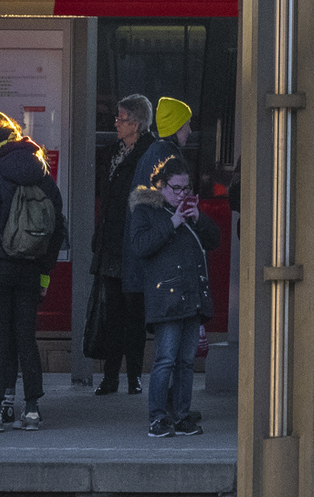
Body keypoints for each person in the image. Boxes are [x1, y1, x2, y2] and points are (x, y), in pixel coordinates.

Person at [0, 113, 66, 432]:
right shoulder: (44, 179)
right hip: (29, 269)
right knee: (26, 337)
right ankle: (33, 410)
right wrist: (44, 273)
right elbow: (56, 230)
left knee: (1, 340)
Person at [127, 156, 220, 437]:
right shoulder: (146, 209)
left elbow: (214, 239)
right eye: (176, 188)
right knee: (165, 359)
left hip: (192, 297)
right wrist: (175, 222)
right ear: (160, 185)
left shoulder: (190, 209)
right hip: (166, 298)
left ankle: (181, 416)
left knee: (187, 362)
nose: (181, 194)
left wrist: (198, 218)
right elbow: (140, 246)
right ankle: (158, 418)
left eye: (186, 188)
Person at [94, 94, 157, 395]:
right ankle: (110, 377)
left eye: (121, 118)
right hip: (110, 242)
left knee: (135, 314)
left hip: (133, 242)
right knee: (112, 314)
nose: (115, 123)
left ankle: (133, 375)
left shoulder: (150, 152)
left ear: (137, 123)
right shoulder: (110, 154)